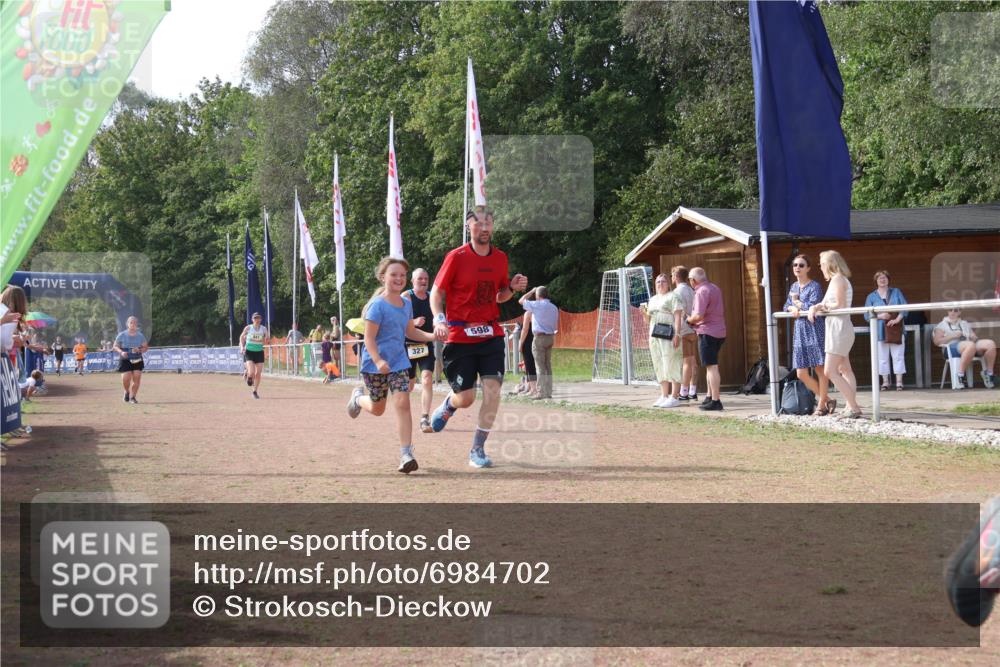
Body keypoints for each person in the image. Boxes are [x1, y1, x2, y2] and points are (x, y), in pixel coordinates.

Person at [429, 207, 529, 468]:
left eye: (489, 223)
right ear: (468, 226)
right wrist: (439, 318)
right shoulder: (457, 257)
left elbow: (499, 296)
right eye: (479, 223)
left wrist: (511, 288)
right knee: (466, 398)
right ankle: (449, 405)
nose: (484, 228)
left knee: (493, 392)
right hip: (460, 336)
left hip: (489, 333)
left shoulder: (500, 258)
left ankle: (477, 449)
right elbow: (436, 293)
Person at [346, 257, 437, 474]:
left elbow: (410, 331)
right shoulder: (377, 306)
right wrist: (378, 360)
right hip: (374, 364)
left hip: (399, 362)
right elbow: (369, 339)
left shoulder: (406, 304)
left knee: (403, 403)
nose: (399, 278)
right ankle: (358, 399)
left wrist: (433, 336)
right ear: (383, 277)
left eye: (402, 275)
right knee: (378, 409)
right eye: (394, 274)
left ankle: (406, 454)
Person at [808, 250, 862, 418]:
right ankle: (850, 406)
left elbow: (839, 304)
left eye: (822, 264)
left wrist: (822, 307)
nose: (820, 267)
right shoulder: (836, 280)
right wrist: (816, 307)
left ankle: (854, 407)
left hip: (839, 328)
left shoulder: (838, 279)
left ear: (829, 264)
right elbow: (825, 303)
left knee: (830, 371)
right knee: (845, 369)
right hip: (839, 327)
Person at [784, 254, 832, 415]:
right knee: (801, 373)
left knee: (819, 368)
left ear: (808, 268)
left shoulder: (814, 286)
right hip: (799, 331)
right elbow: (786, 305)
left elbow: (813, 306)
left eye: (801, 265)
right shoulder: (793, 287)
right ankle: (827, 399)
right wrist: (792, 307)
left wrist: (797, 303)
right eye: (795, 265)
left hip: (814, 329)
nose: (797, 267)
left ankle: (821, 405)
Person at [641, 273, 684, 408]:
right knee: (659, 364)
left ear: (668, 284)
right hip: (654, 335)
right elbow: (648, 320)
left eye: (663, 281)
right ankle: (664, 395)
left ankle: (674, 396)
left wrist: (677, 334)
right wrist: (643, 313)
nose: (660, 284)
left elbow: (678, 317)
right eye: (658, 282)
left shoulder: (673, 296)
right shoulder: (653, 299)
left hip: (669, 334)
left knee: (672, 362)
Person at [687, 267, 726, 411]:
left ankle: (716, 400)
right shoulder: (714, 288)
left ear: (693, 280)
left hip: (707, 332)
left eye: (690, 279)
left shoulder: (701, 291)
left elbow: (698, 316)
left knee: (711, 367)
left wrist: (688, 320)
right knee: (711, 366)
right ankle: (709, 396)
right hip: (719, 331)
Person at [403, 267, 436, 432]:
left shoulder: (432, 297)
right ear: (412, 281)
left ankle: (424, 417)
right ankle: (404, 415)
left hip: (426, 344)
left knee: (427, 379)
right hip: (407, 346)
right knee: (409, 385)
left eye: (426, 279)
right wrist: (413, 322)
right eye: (420, 279)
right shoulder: (406, 297)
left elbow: (438, 316)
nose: (423, 281)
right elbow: (397, 321)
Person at [864, 270, 908, 391]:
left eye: (884, 278)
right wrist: (880, 316)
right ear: (876, 281)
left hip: (896, 329)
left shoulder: (896, 292)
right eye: (880, 278)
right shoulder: (871, 296)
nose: (882, 280)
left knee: (898, 356)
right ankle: (885, 382)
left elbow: (905, 308)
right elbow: (867, 315)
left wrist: (897, 320)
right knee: (882, 358)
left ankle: (899, 382)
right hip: (879, 331)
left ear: (888, 280)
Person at [933, 308, 997, 389]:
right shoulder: (942, 325)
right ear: (947, 311)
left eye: (955, 310)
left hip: (969, 346)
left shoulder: (964, 323)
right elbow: (937, 342)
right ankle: (960, 375)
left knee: (990, 344)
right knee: (970, 345)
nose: (952, 312)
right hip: (950, 348)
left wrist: (973, 337)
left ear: (960, 312)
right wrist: (952, 336)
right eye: (950, 310)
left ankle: (989, 374)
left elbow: (974, 338)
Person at [519, 285, 558, 400]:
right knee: (547, 365)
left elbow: (521, 300)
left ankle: (540, 392)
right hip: (550, 337)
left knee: (539, 366)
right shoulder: (554, 307)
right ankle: (548, 392)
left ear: (537, 295)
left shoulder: (537, 305)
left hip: (539, 338)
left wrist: (531, 291)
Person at [671, 266, 698, 402]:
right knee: (693, 361)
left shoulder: (676, 292)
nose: (671, 278)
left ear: (676, 277)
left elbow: (676, 312)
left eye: (672, 275)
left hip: (683, 329)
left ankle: (684, 392)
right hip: (693, 327)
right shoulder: (692, 290)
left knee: (686, 362)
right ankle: (693, 391)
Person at [113, 316, 149, 404]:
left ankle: (133, 397)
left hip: (137, 359)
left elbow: (146, 348)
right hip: (125, 358)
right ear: (127, 324)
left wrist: (139, 350)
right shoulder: (122, 334)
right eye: (131, 322)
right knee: (126, 378)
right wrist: (121, 352)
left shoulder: (140, 336)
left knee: (137, 379)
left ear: (137, 324)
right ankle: (126, 391)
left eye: (135, 323)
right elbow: (115, 346)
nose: (133, 324)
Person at [240, 312, 269, 398]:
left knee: (258, 373)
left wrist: (266, 339)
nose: (257, 320)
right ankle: (248, 375)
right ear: (252, 319)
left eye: (258, 318)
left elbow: (267, 338)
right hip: (249, 351)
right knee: (252, 372)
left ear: (261, 319)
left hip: (259, 352)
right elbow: (241, 337)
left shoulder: (264, 329)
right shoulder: (248, 328)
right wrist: (242, 347)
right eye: (255, 318)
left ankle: (255, 391)